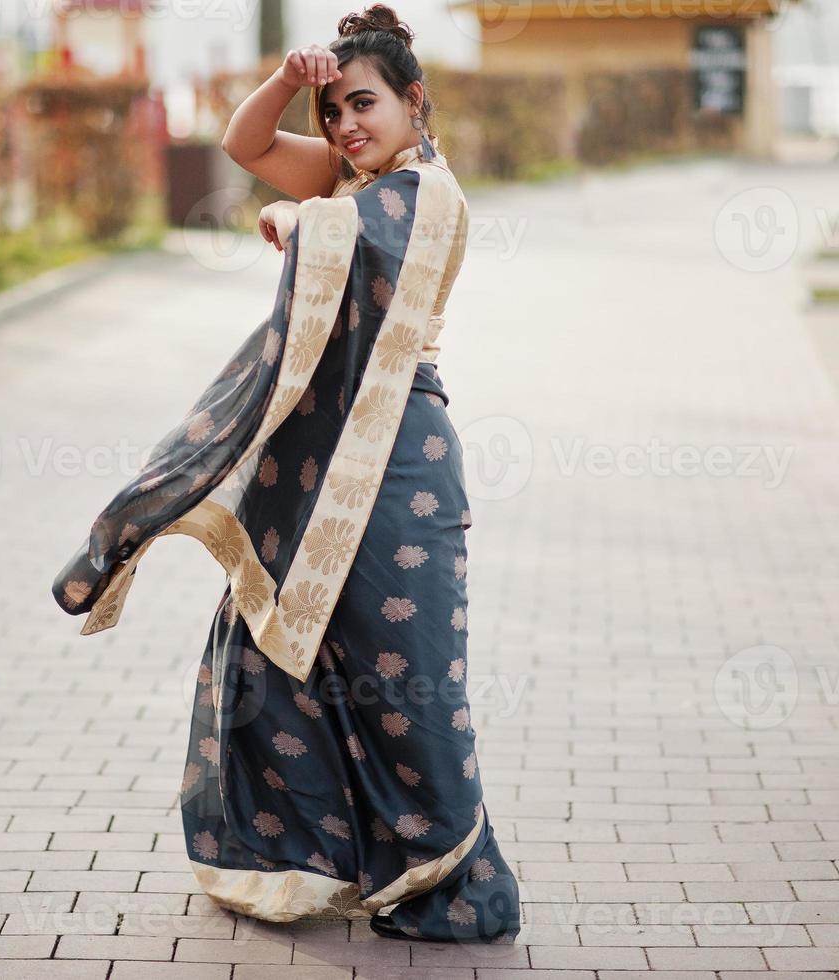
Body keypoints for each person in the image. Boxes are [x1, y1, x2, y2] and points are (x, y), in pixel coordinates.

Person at [52, 3, 521, 943]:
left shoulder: (427, 192)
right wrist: (284, 79)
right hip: (325, 461)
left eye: (363, 104)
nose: (346, 124)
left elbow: (334, 236)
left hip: (398, 464)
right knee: (284, 652)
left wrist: (291, 219)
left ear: (413, 101)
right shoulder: (352, 177)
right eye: (334, 110)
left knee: (409, 673)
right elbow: (244, 141)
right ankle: (302, 862)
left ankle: (455, 882)